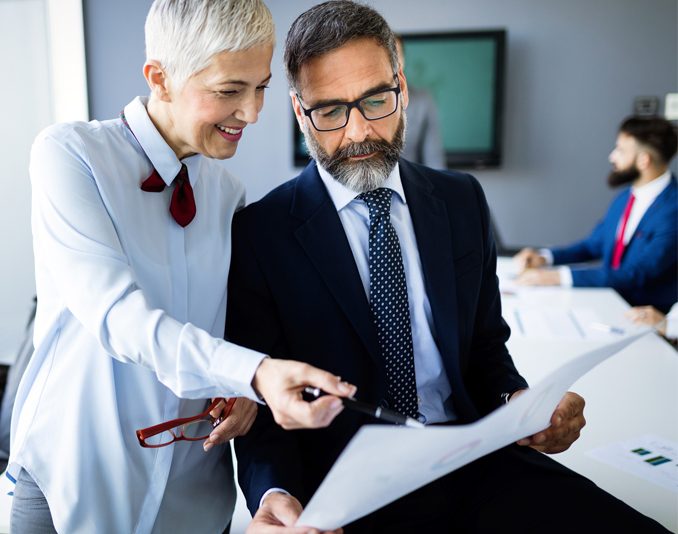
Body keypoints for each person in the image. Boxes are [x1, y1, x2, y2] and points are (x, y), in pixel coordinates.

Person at [226, 2, 670, 533]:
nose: (359, 131)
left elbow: (484, 349)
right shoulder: (259, 233)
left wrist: (521, 404)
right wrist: (273, 494)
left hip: (472, 461)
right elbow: (259, 407)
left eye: (376, 100)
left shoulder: (461, 200)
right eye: (330, 111)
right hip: (343, 494)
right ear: (300, 112)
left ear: (403, 90)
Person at [7, 2, 356, 533]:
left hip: (194, 491)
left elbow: (232, 328)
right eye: (228, 90)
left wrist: (244, 393)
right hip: (78, 473)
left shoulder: (228, 194)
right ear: (160, 79)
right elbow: (119, 318)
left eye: (260, 87)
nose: (253, 112)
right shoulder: (70, 157)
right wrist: (255, 373)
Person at [514, 117, 677, 313]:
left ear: (644, 160)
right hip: (609, 303)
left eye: (620, 150)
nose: (612, 156)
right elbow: (594, 245)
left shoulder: (673, 209)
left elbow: (637, 274)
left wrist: (557, 277)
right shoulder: (625, 197)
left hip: (646, 318)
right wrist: (545, 258)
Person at [395, 33, 446, 169]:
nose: (392, 60)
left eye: (397, 54)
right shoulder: (355, 99)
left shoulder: (423, 100)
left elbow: (434, 160)